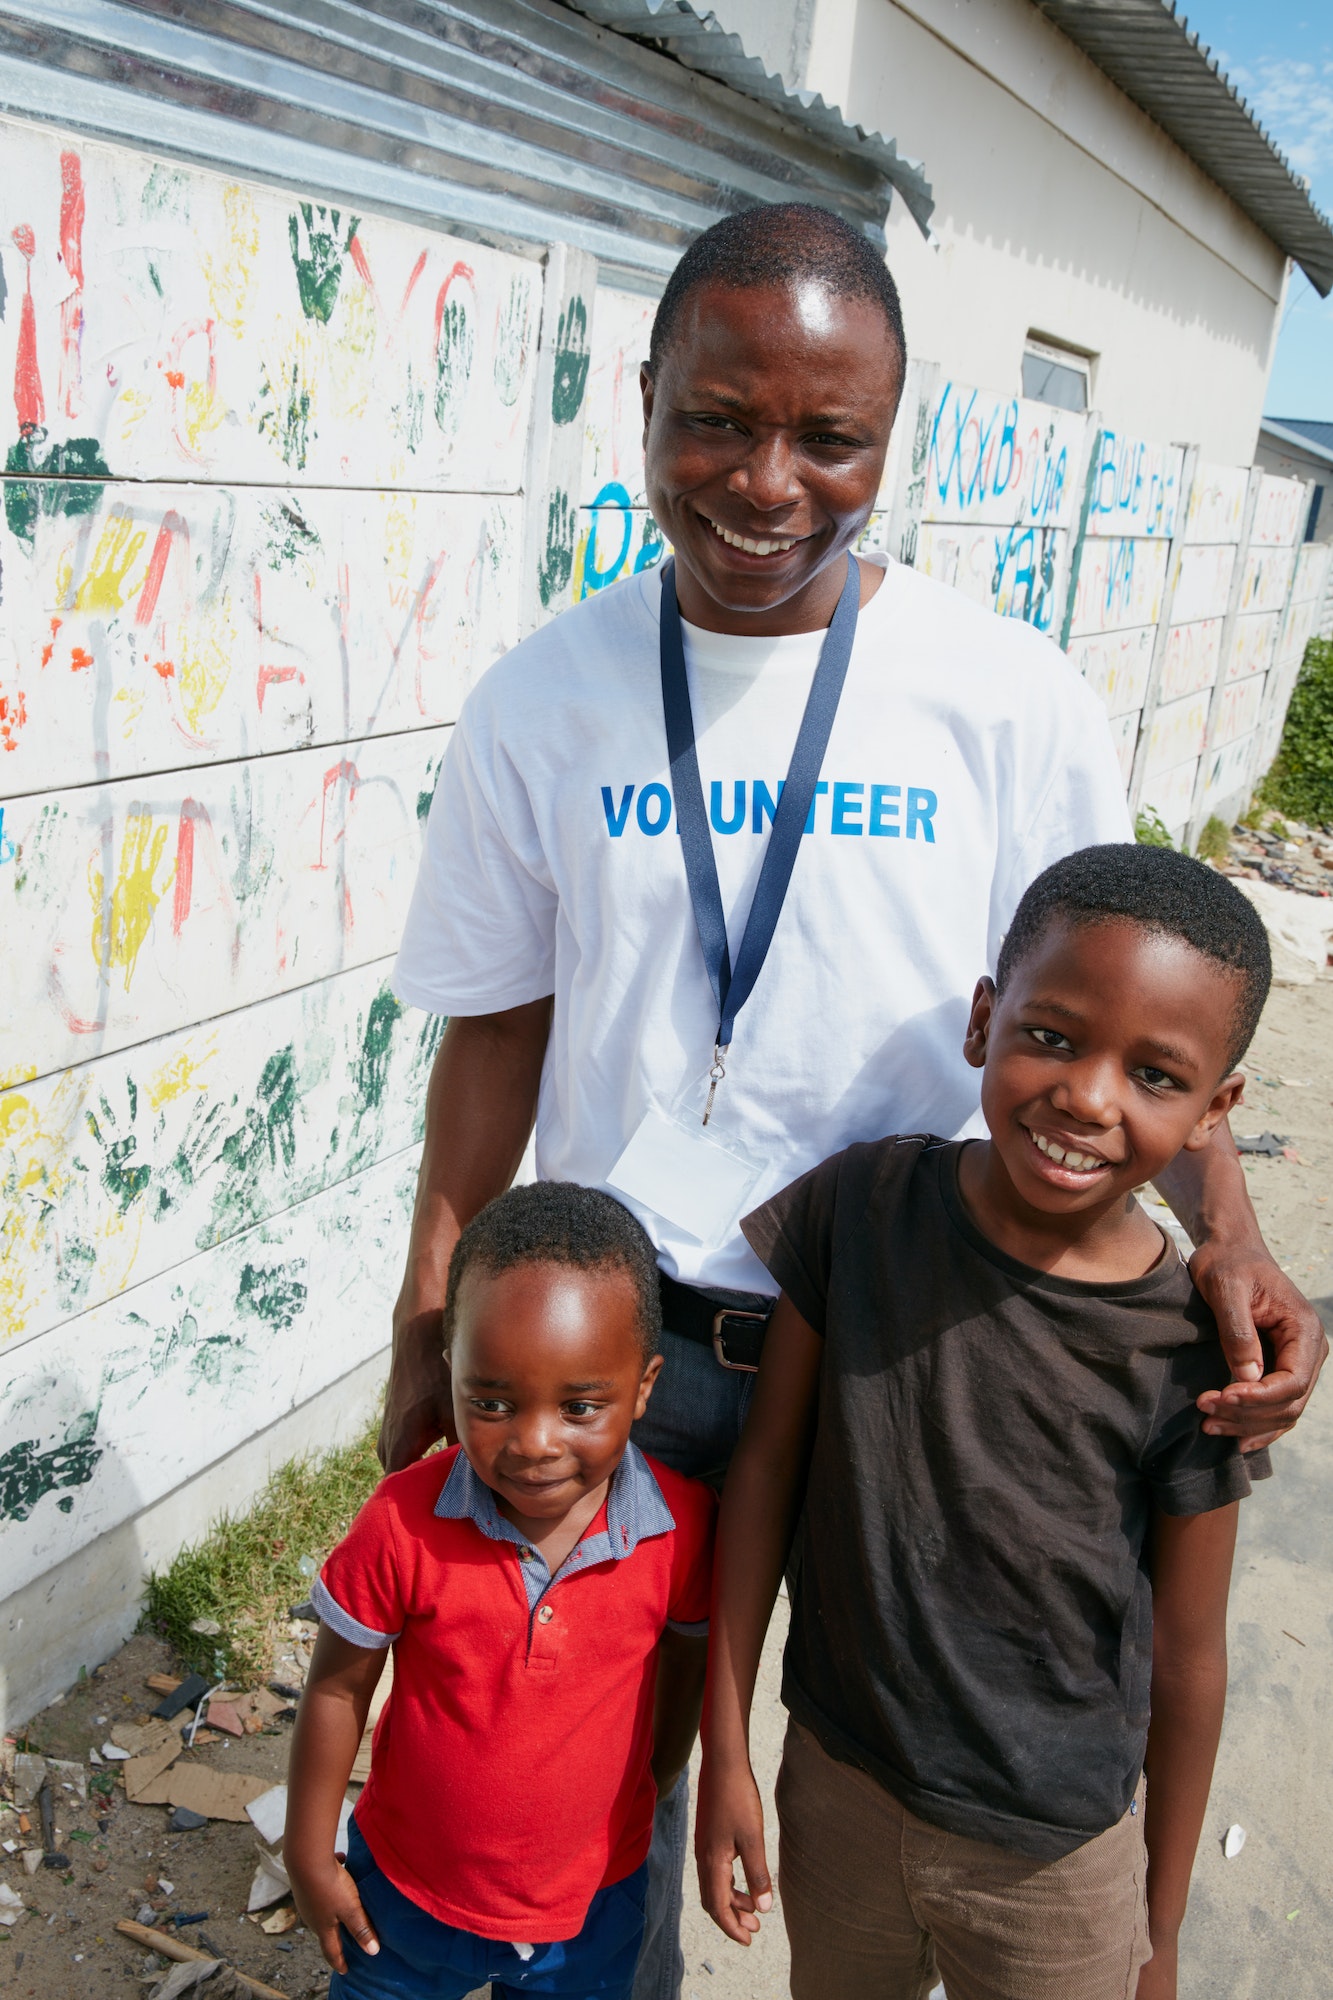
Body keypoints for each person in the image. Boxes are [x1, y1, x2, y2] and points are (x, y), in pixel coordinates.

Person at [383, 202, 1326, 1998]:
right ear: (644, 399)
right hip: (628, 1349)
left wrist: (1232, 1233)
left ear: (892, 435)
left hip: (919, 1345)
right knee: (587, 1785)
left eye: (830, 438)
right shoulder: (542, 700)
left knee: (896, 1780)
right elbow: (494, 1031)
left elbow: (1132, 1003)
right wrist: (430, 1301)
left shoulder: (1001, 698)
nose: (765, 483)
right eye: (714, 420)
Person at [697, 844, 1280, 2000]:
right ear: (983, 1020)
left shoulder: (1187, 1351)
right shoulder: (858, 1208)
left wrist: (1157, 1925)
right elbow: (761, 1475)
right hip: (840, 1786)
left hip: (1056, 1861)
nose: (1086, 1094)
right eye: (1052, 1036)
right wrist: (728, 1749)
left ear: (1214, 1109)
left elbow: (1189, 1656)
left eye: (1155, 1075)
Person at [284, 1182, 715, 2000]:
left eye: (581, 1407)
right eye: (490, 1403)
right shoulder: (403, 1522)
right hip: (400, 1901)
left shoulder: (679, 1531)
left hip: (589, 1909)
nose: (533, 1444)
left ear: (646, 1386)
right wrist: (308, 1851)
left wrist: (653, 1779)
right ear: (449, 1373)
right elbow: (337, 1689)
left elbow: (685, 1668)